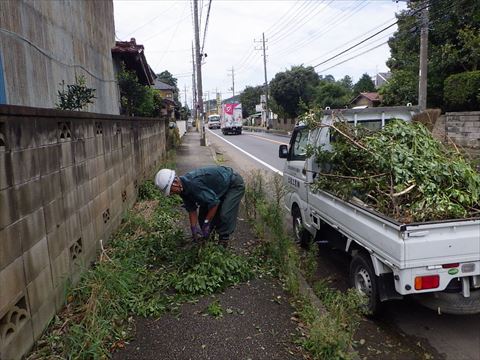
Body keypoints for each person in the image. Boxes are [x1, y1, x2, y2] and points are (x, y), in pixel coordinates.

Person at [154, 166, 245, 245]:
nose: (171, 193)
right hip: (217, 190)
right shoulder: (183, 190)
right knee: (203, 216)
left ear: (175, 182)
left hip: (233, 184)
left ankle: (223, 240)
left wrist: (207, 223)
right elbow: (192, 209)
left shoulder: (194, 184)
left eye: (171, 190)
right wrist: (193, 228)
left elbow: (214, 203)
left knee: (225, 214)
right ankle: (208, 239)